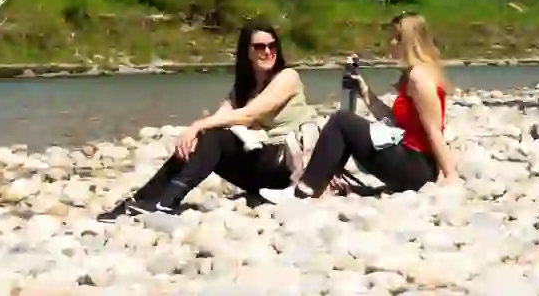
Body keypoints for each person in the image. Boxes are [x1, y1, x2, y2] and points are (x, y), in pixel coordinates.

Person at [97, 22, 314, 221]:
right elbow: (219, 118)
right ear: (247, 52)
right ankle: (143, 199)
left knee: (213, 136)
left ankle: (166, 201)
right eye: (259, 47)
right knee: (206, 138)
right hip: (260, 172)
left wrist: (196, 126)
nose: (268, 52)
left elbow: (248, 115)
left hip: (286, 166)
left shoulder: (287, 77)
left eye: (272, 45)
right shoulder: (242, 89)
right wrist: (195, 134)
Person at [260, 12, 458, 203]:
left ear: (410, 41)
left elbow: (434, 130)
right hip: (409, 161)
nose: (390, 44)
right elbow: (394, 120)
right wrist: (365, 91)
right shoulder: (412, 76)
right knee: (346, 125)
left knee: (342, 121)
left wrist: (451, 176)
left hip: (416, 168)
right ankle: (319, 183)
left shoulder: (420, 78)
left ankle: (304, 190)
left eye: (395, 39)